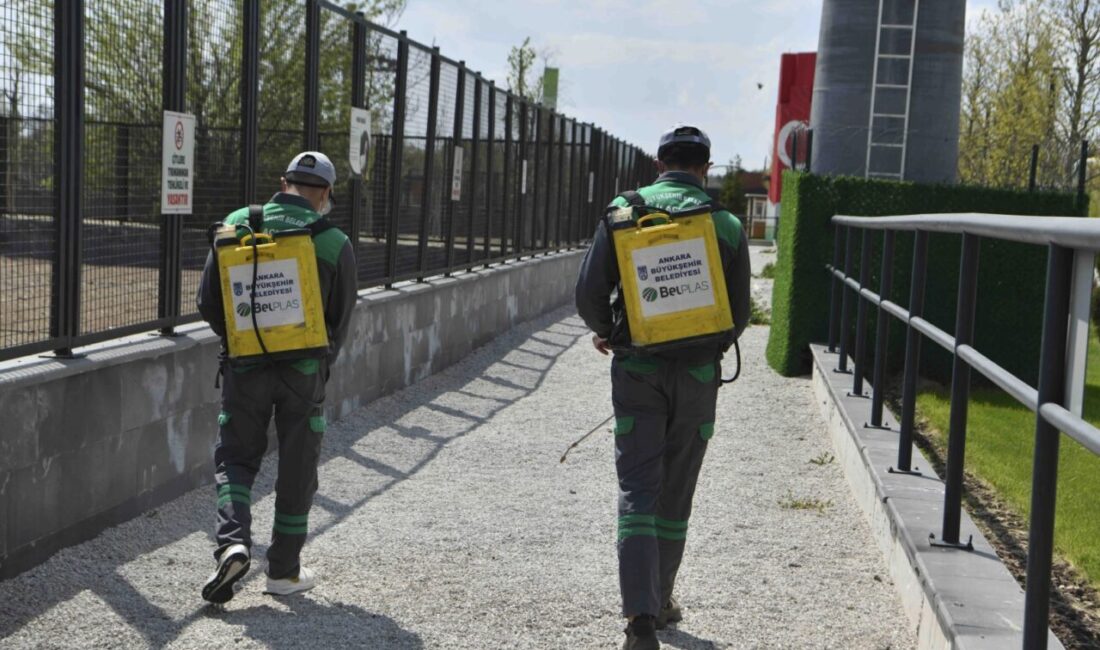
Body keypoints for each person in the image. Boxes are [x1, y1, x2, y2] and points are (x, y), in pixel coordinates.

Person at [575, 125, 751, 649]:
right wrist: (705, 348)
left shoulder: (623, 211)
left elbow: (588, 292)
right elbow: (738, 315)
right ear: (706, 168)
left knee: (637, 490)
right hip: (697, 374)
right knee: (676, 492)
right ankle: (664, 597)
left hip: (637, 370)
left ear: (659, 163)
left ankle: (640, 619)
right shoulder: (725, 225)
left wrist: (608, 331)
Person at [197, 151, 357, 603]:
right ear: (325, 194)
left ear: (283, 182)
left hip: (244, 367)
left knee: (235, 458)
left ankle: (232, 542)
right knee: (297, 465)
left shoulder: (236, 223)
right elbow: (340, 321)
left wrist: (243, 341)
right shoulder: (333, 242)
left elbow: (208, 302)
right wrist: (318, 366)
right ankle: (283, 572)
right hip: (303, 372)